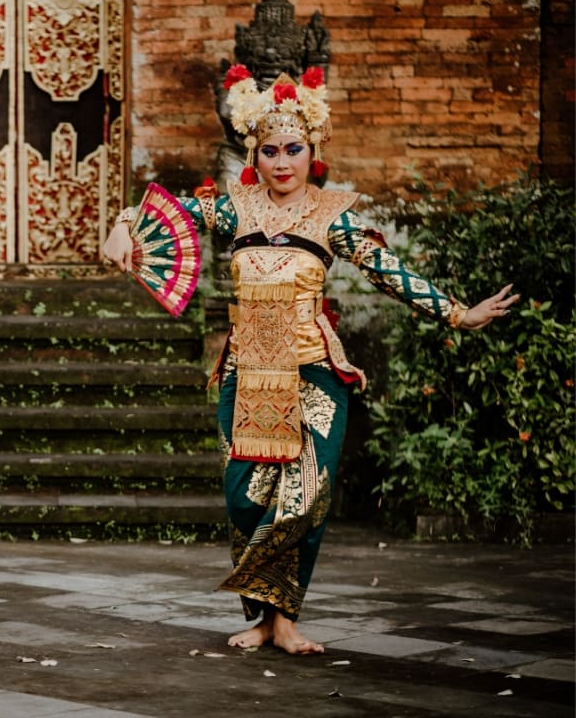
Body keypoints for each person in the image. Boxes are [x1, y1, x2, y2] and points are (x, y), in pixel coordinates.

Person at [102, 65, 518, 655]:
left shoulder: (334, 217)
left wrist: (457, 313)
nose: (281, 162)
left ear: (311, 150)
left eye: (293, 149)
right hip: (246, 374)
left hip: (313, 372)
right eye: (269, 150)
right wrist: (124, 228)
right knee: (246, 499)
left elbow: (389, 272)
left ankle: (288, 619)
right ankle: (262, 618)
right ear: (256, 152)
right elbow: (167, 212)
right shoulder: (235, 209)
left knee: (305, 494)